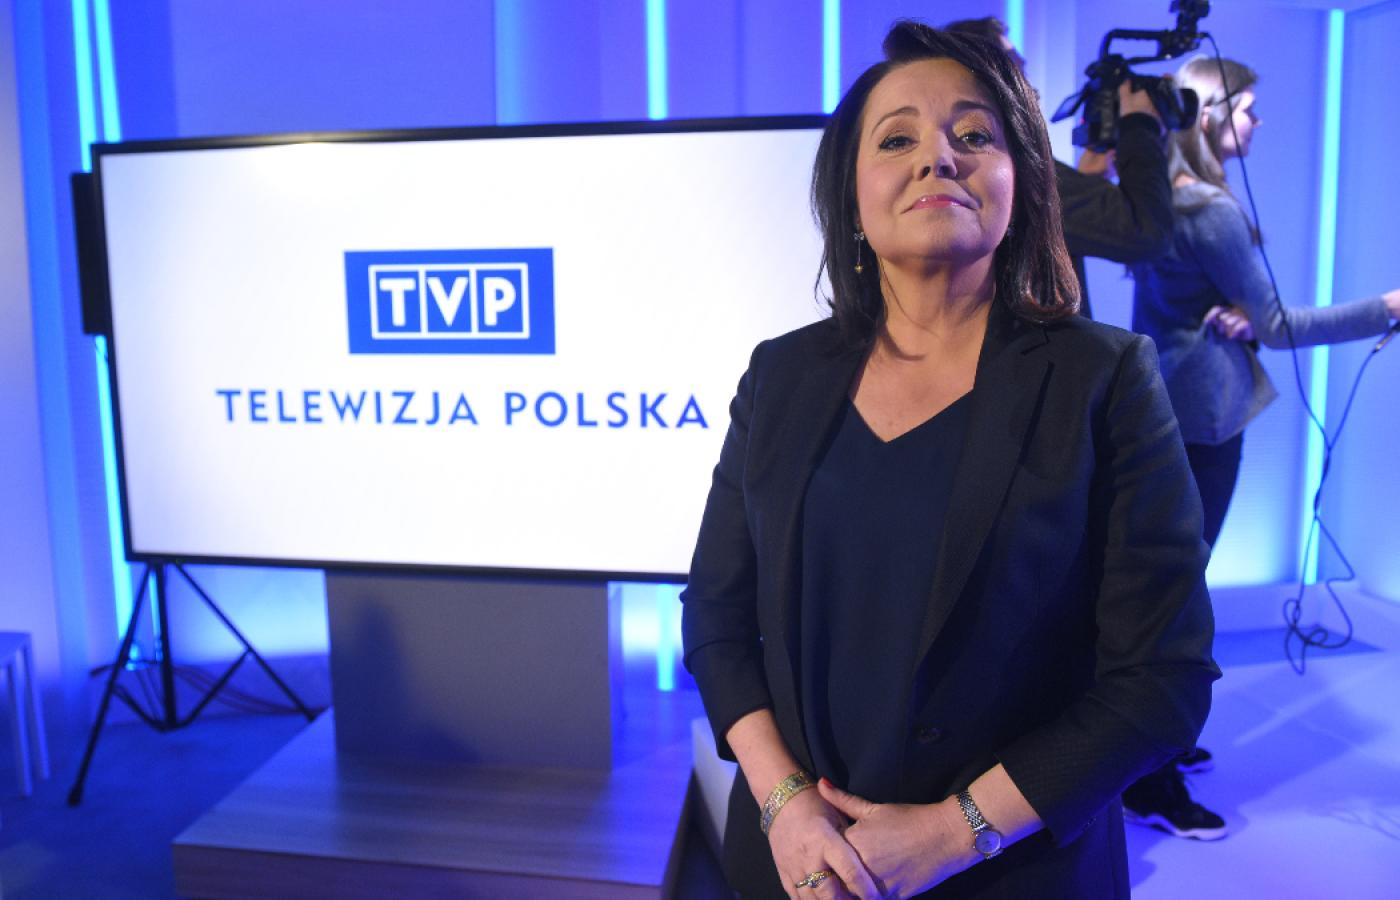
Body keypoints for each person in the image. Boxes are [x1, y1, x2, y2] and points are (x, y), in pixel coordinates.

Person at [681, 21, 1219, 900]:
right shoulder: (780, 375)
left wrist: (954, 832)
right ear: (851, 194)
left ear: (1021, 181)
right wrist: (786, 805)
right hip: (797, 868)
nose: (939, 156)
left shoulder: (1105, 378)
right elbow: (715, 615)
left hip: (1018, 871)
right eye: (897, 139)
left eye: (974, 135)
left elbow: (1163, 679)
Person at [1122, 54, 1400, 841]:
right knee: (1174, 603)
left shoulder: (1159, 197)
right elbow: (1277, 327)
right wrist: (1387, 306)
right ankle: (1147, 777)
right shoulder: (1209, 210)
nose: (1259, 121)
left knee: (1165, 592)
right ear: (1208, 115)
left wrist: (1239, 315)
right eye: (1247, 108)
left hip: (1167, 408)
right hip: (1203, 420)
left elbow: (1211, 308)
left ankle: (1156, 745)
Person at [944, 16, 1174, 320]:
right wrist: (1140, 124)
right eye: (1019, 73)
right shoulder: (1025, 178)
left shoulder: (966, 171)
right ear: (988, 85)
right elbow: (1147, 233)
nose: (1034, 91)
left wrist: (1083, 180)